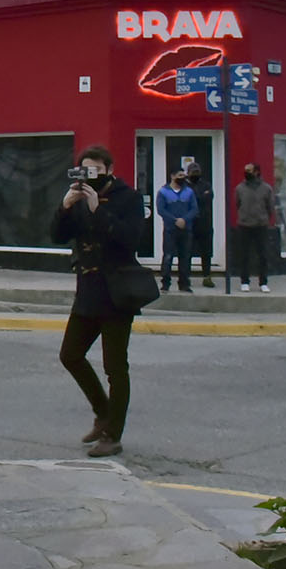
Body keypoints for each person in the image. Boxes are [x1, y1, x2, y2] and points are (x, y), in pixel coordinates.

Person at [50, 146, 145, 457]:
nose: (90, 176)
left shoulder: (127, 198)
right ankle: (103, 413)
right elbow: (57, 236)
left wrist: (97, 209)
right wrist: (65, 207)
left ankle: (113, 435)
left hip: (118, 293)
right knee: (70, 355)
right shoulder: (79, 198)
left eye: (95, 170)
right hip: (88, 291)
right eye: (84, 170)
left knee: (116, 367)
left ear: (109, 168)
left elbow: (131, 239)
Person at [235, 162, 277, 292]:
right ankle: (244, 281)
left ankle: (263, 282)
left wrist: (264, 219)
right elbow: (238, 203)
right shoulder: (240, 188)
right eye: (245, 170)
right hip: (244, 225)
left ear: (257, 172)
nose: (246, 172)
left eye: (249, 170)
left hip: (261, 226)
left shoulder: (266, 188)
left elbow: (270, 207)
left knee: (262, 255)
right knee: (244, 255)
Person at [155, 167, 198, 292]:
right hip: (170, 229)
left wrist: (184, 220)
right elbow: (161, 210)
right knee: (168, 256)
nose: (182, 178)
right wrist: (175, 221)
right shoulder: (163, 192)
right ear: (172, 176)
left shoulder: (189, 192)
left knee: (185, 257)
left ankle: (184, 284)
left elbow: (194, 209)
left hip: (186, 229)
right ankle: (165, 283)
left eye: (183, 175)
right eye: (180, 175)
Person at [186, 161, 215, 287]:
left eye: (197, 172)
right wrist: (199, 197)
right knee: (187, 252)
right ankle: (185, 277)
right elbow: (187, 200)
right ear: (188, 173)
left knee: (206, 252)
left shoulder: (206, 184)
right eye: (193, 172)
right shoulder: (184, 187)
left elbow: (208, 198)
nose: (195, 174)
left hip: (205, 224)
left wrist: (196, 198)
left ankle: (207, 277)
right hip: (190, 224)